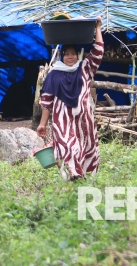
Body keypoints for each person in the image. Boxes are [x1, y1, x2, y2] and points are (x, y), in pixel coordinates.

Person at [37, 17, 104, 180]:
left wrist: (97, 28)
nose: (70, 57)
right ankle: (73, 175)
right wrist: (42, 124)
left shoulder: (85, 68)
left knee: (83, 146)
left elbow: (98, 51)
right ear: (62, 56)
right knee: (67, 146)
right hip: (62, 120)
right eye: (66, 54)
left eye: (73, 53)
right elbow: (46, 101)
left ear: (77, 55)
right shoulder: (54, 74)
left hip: (84, 120)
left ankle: (80, 176)